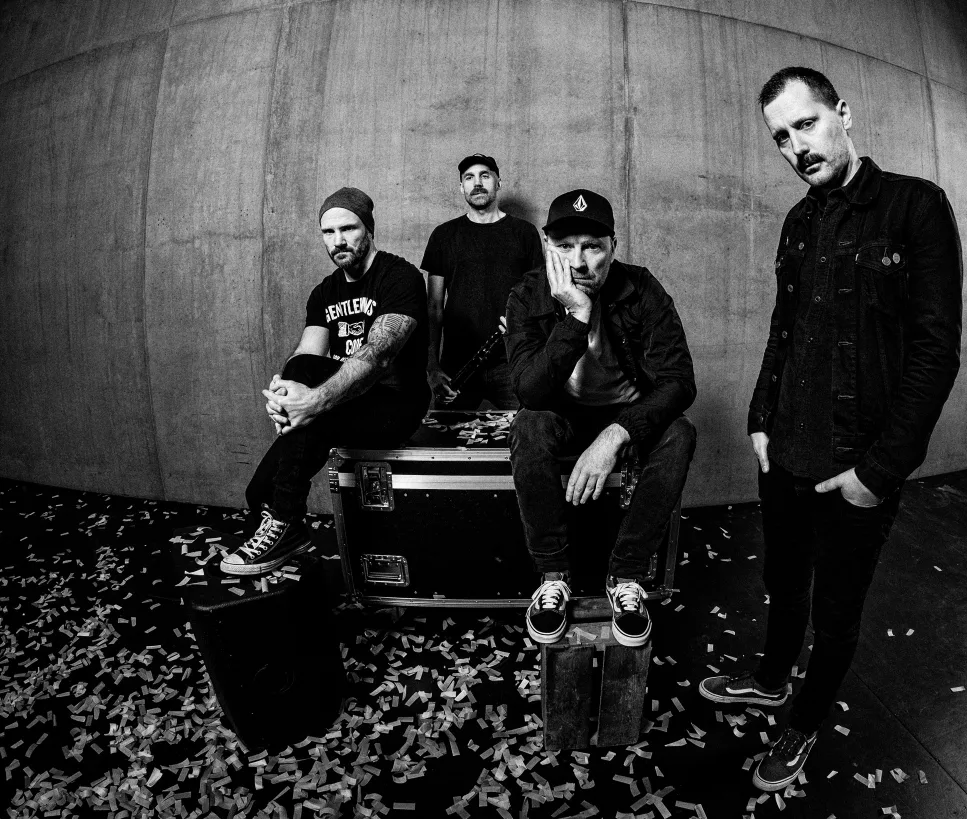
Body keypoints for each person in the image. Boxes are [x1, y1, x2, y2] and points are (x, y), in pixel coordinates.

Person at [699, 67, 962, 792]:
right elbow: (784, 328)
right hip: (784, 452)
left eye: (806, 124)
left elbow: (936, 352)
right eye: (781, 137)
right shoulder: (799, 220)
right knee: (783, 584)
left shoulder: (916, 206)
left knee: (837, 611)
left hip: (856, 467)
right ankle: (772, 679)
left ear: (842, 112)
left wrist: (879, 473)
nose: (796, 147)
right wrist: (760, 419)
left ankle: (805, 719)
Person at [505, 189, 697, 648]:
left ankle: (625, 578)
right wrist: (576, 316)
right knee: (528, 427)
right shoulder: (527, 294)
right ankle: (553, 578)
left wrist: (616, 434)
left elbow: (679, 382)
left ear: (613, 246)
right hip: (561, 413)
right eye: (565, 246)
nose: (579, 261)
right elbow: (530, 392)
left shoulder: (642, 288)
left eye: (592, 246)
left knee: (680, 433)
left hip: (627, 414)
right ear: (548, 248)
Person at [221, 187, 430, 575]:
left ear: (368, 228)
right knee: (258, 492)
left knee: (311, 393)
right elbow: (307, 357)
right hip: (342, 405)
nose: (338, 241)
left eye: (348, 229)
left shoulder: (400, 277)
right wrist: (283, 394)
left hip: (394, 408)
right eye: (328, 232)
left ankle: (286, 522)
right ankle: (289, 529)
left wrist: (312, 402)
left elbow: (379, 355)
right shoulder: (324, 292)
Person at [421, 153, 544, 409]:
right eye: (469, 177)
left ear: (498, 182)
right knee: (448, 441)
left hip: (512, 360)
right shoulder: (444, 235)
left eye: (485, 176)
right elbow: (433, 306)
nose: (477, 183)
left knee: (525, 438)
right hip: (457, 365)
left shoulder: (524, 233)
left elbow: (539, 297)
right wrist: (432, 365)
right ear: (461, 187)